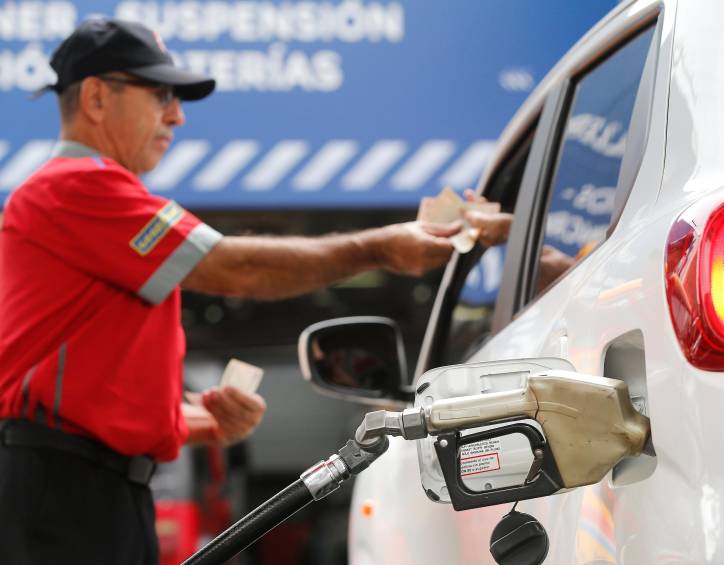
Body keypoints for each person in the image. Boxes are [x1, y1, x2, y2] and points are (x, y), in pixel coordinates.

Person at [0, 18, 456, 565]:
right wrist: (378, 249)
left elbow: (84, 399)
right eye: (162, 94)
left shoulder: (83, 201)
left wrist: (198, 420)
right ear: (96, 97)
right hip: (64, 493)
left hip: (87, 493)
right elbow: (233, 268)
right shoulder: (75, 185)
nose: (177, 115)